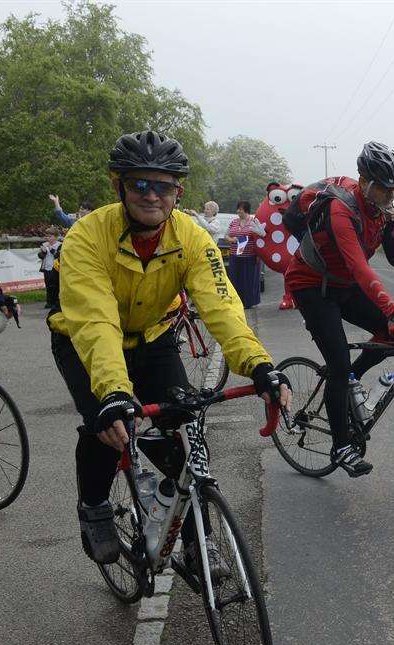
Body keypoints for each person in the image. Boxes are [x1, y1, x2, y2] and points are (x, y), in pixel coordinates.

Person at [50, 130, 290, 569]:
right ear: (117, 185)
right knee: (108, 427)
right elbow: (95, 319)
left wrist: (258, 365)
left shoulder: (192, 238)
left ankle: (200, 540)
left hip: (153, 339)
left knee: (184, 437)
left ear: (178, 191)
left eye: (163, 185)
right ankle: (95, 506)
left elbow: (222, 306)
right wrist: (113, 393)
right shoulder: (87, 237)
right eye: (140, 183)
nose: (151, 195)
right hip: (83, 341)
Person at [285, 141, 394, 477]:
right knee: (338, 362)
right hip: (311, 286)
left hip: (343, 286)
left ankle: (345, 380)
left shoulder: (381, 214)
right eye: (385, 188)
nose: (391, 196)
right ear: (364, 179)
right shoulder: (343, 209)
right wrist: (392, 306)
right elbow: (360, 268)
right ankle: (341, 446)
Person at [226, 201, 264, 309]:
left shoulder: (254, 221)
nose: (238, 211)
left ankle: (249, 302)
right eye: (238, 209)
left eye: (240, 209)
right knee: (235, 279)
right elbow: (226, 235)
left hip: (250, 256)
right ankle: (237, 302)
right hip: (235, 255)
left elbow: (261, 237)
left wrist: (258, 255)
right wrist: (232, 239)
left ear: (246, 210)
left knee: (249, 280)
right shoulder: (234, 222)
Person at [38, 226, 62, 308]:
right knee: (48, 285)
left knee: (55, 286)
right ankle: (49, 302)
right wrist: (43, 252)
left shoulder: (59, 245)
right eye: (47, 236)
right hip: (47, 268)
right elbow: (40, 256)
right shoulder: (44, 245)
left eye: (50, 236)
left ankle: (56, 302)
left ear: (56, 237)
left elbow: (58, 256)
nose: (48, 238)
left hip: (55, 268)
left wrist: (50, 249)